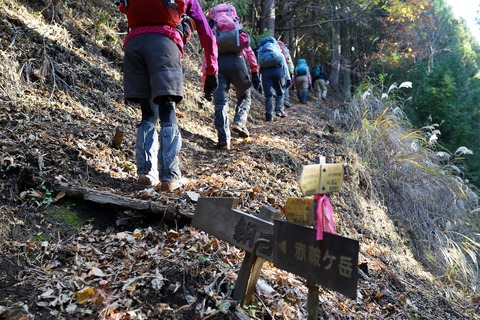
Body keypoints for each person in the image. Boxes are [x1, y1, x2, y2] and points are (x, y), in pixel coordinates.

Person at [118, 0, 218, 191]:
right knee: (167, 108)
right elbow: (206, 33)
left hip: (134, 45)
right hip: (164, 45)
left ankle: (145, 174)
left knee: (147, 113)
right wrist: (211, 71)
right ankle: (169, 178)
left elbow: (124, 7)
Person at [208, 3, 262, 150]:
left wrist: (207, 79)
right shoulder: (236, 28)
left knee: (221, 103)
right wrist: (255, 72)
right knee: (245, 96)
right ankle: (239, 122)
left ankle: (224, 140)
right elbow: (248, 51)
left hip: (218, 64)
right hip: (238, 62)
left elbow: (207, 55)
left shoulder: (213, 30)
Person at [257, 36, 290, 121]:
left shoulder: (261, 51)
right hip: (278, 71)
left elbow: (259, 65)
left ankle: (269, 115)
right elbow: (284, 66)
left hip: (266, 73)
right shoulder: (277, 49)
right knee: (280, 92)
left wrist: (259, 80)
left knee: (269, 95)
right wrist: (288, 78)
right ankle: (279, 110)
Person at [277, 40, 294, 108]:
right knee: (285, 87)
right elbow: (289, 62)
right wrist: (291, 72)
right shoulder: (285, 51)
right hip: (285, 70)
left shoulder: (274, 49)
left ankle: (278, 103)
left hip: (275, 69)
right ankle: (285, 101)